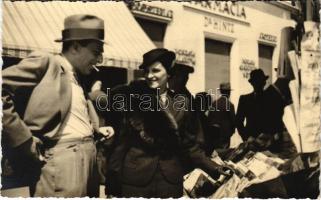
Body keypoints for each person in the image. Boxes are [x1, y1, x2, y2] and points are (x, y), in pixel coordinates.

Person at [94, 48, 231, 198]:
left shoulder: (183, 104)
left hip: (170, 182)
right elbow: (120, 144)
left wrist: (215, 168)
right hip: (135, 180)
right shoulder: (131, 100)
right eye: (146, 71)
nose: (149, 76)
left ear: (169, 73)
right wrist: (112, 182)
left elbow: (190, 146)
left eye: (156, 71)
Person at [2, 14, 114, 197]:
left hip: (88, 161)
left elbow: (67, 116)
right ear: (76, 47)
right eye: (96, 52)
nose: (100, 59)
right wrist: (23, 140)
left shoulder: (77, 76)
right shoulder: (46, 62)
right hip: (62, 164)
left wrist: (96, 131)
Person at [235, 69, 268, 142]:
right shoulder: (244, 99)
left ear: (264, 82)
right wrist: (246, 137)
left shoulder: (270, 99)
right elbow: (238, 121)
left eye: (260, 81)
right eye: (256, 82)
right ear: (252, 83)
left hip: (267, 142)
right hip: (251, 142)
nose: (258, 84)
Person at [208, 82, 236, 150]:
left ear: (220, 91)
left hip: (214, 135)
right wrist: (231, 132)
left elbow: (209, 119)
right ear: (229, 92)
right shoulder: (230, 105)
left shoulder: (214, 103)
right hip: (225, 135)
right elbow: (233, 122)